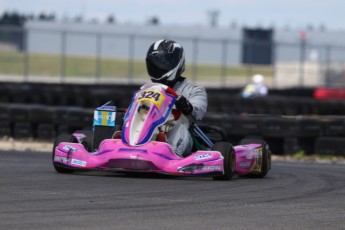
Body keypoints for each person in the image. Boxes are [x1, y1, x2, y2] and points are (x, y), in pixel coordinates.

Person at [143, 39, 208, 157]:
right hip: (149, 132)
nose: (158, 67)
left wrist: (187, 106)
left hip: (181, 137)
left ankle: (170, 154)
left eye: (163, 63)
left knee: (180, 127)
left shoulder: (194, 90)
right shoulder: (146, 89)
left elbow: (198, 111)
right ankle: (126, 144)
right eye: (155, 63)